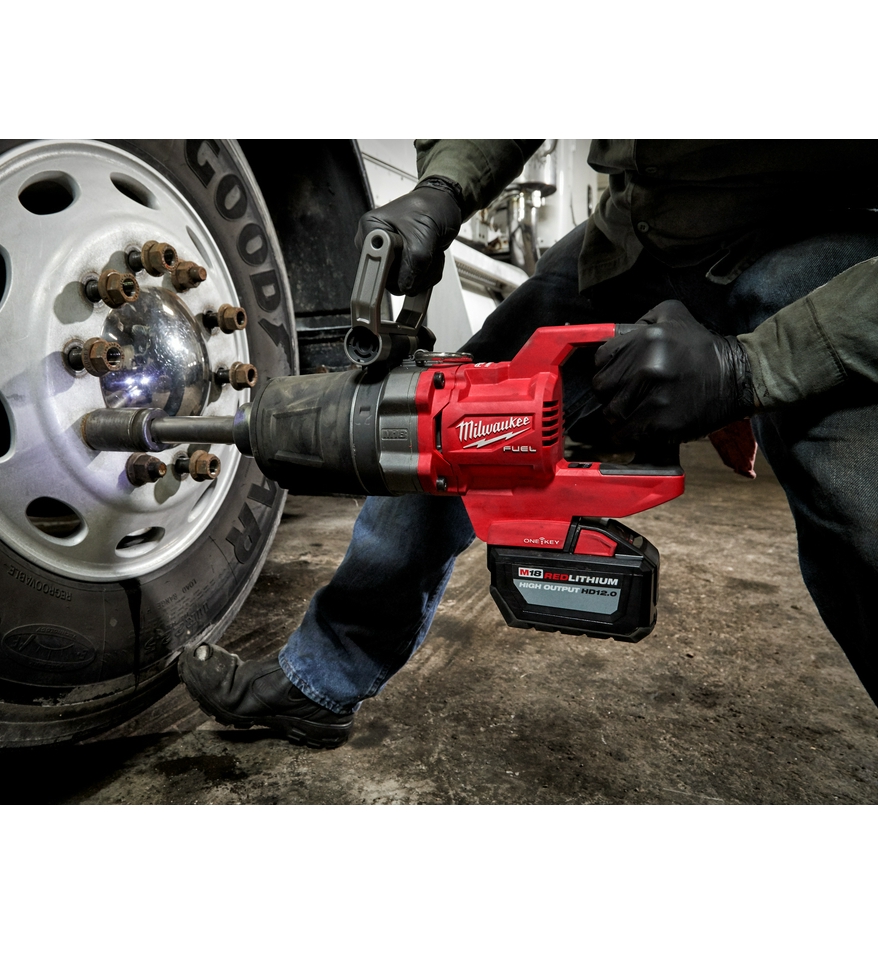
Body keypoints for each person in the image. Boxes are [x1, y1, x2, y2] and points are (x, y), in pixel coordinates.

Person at [179, 139, 878, 748]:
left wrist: (749, 369)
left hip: (824, 246)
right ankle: (322, 681)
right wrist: (444, 187)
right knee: (439, 427)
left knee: (859, 512)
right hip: (639, 234)